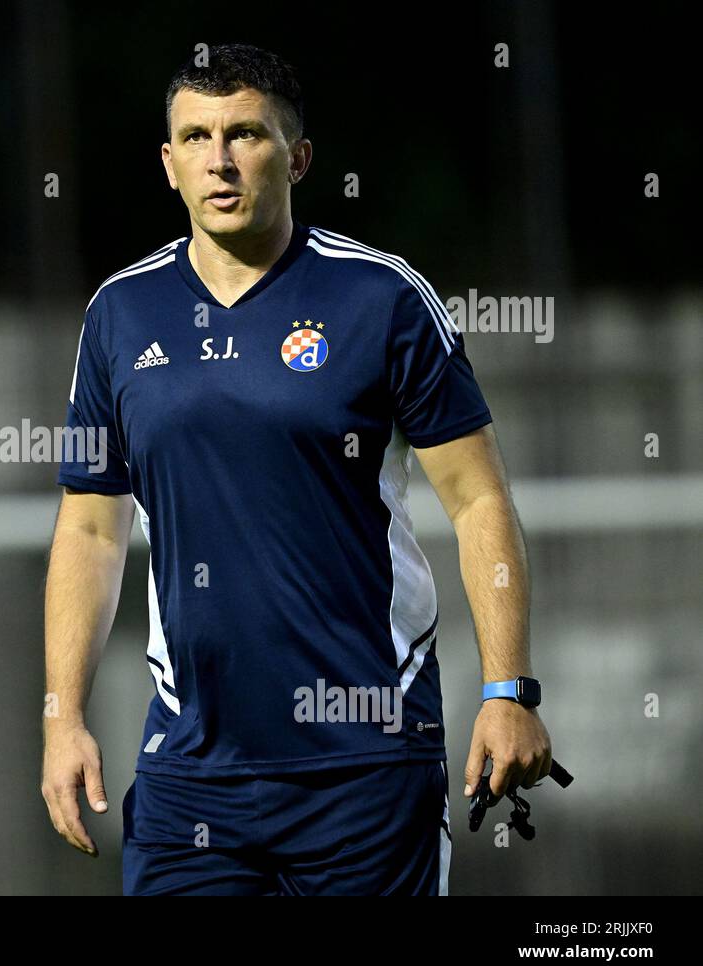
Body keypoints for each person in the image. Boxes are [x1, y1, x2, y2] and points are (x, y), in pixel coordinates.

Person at [40, 42, 552, 894]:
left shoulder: (381, 298)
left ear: (299, 157)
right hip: (191, 766)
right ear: (168, 165)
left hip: (367, 759)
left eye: (246, 134)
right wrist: (63, 716)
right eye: (196, 138)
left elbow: (478, 500)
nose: (221, 159)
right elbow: (90, 529)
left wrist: (509, 687)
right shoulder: (120, 314)